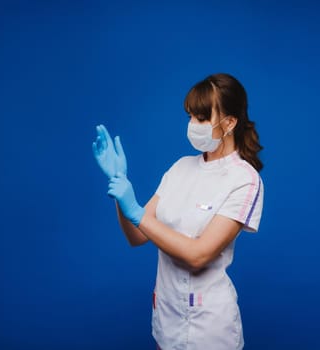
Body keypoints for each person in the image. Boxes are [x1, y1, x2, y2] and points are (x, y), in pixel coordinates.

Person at [92, 73, 264, 350]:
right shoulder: (181, 167)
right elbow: (137, 236)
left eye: (202, 118)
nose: (193, 126)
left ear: (229, 122)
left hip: (209, 330)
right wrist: (119, 190)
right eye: (190, 117)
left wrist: (136, 210)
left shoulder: (244, 180)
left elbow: (199, 255)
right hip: (167, 321)